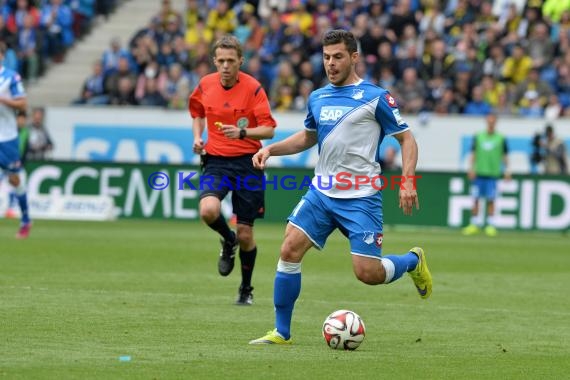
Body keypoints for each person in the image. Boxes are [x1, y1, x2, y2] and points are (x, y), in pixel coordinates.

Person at [248, 30, 432, 345]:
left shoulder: (375, 97)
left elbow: (407, 138)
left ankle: (413, 261)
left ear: (354, 57)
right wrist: (270, 149)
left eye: (338, 57)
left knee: (368, 273)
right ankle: (282, 331)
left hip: (361, 197)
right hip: (321, 193)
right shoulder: (317, 97)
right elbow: (308, 137)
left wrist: (407, 181)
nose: (331, 64)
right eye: (326, 57)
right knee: (289, 249)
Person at [188, 35, 276, 305]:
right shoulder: (206, 84)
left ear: (240, 61)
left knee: (247, 233)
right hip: (216, 161)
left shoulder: (253, 88)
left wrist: (242, 132)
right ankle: (228, 240)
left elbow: (269, 129)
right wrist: (197, 137)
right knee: (208, 211)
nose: (225, 66)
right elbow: (197, 112)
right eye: (221, 61)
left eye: (230, 60)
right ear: (214, 61)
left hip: (248, 163)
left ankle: (245, 289)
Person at [0, 41, 31, 238]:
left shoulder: (11, 77)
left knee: (14, 179)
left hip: (8, 138)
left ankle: (26, 218)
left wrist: (3, 100)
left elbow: (23, 103)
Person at [462, 113, 510, 237]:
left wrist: (507, 170)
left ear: (496, 122)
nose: (491, 123)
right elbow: (473, 153)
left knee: (491, 199)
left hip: (493, 173)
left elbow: (504, 155)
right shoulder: (478, 136)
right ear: (486, 121)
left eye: (493, 121)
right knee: (476, 199)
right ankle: (474, 224)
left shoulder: (501, 138)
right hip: (479, 172)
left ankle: (490, 225)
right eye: (489, 120)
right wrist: (471, 168)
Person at [4, 110, 29, 219]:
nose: (22, 121)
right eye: (20, 119)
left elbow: (25, 150)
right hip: (6, 163)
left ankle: (12, 208)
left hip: (18, 165)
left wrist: (21, 163)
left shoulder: (26, 132)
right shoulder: (8, 131)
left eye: (24, 119)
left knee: (19, 186)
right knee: (10, 186)